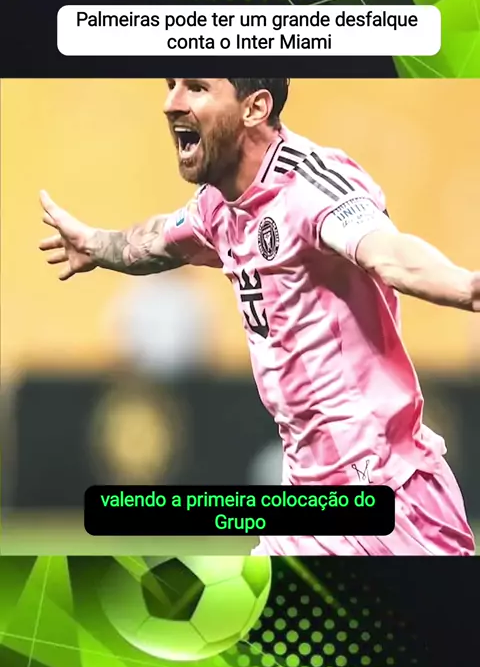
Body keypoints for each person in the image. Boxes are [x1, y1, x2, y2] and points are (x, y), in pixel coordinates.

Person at [39, 77, 477, 556]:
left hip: (384, 491)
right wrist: (95, 245)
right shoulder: (218, 206)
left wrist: (467, 287)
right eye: (171, 84)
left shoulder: (309, 184)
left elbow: (387, 253)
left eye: (196, 88)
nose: (171, 103)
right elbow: (156, 242)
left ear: (255, 108)